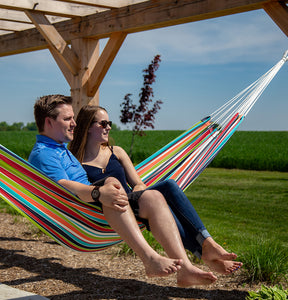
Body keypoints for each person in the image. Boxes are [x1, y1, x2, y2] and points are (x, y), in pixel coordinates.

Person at [28, 94, 221, 287]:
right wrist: (98, 192)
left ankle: (186, 269)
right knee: (114, 183)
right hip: (85, 210)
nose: (74, 124)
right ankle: (151, 258)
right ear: (48, 122)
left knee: (154, 196)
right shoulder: (45, 153)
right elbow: (60, 186)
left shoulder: (61, 149)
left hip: (97, 203)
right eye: (67, 119)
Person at [69, 104, 243, 276]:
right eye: (103, 123)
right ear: (87, 127)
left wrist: (136, 193)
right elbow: (80, 191)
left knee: (168, 188)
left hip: (133, 200)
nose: (108, 127)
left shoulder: (117, 152)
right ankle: (205, 248)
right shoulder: (75, 162)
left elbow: (138, 183)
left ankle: (207, 245)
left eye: (109, 123)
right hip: (110, 209)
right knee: (166, 190)